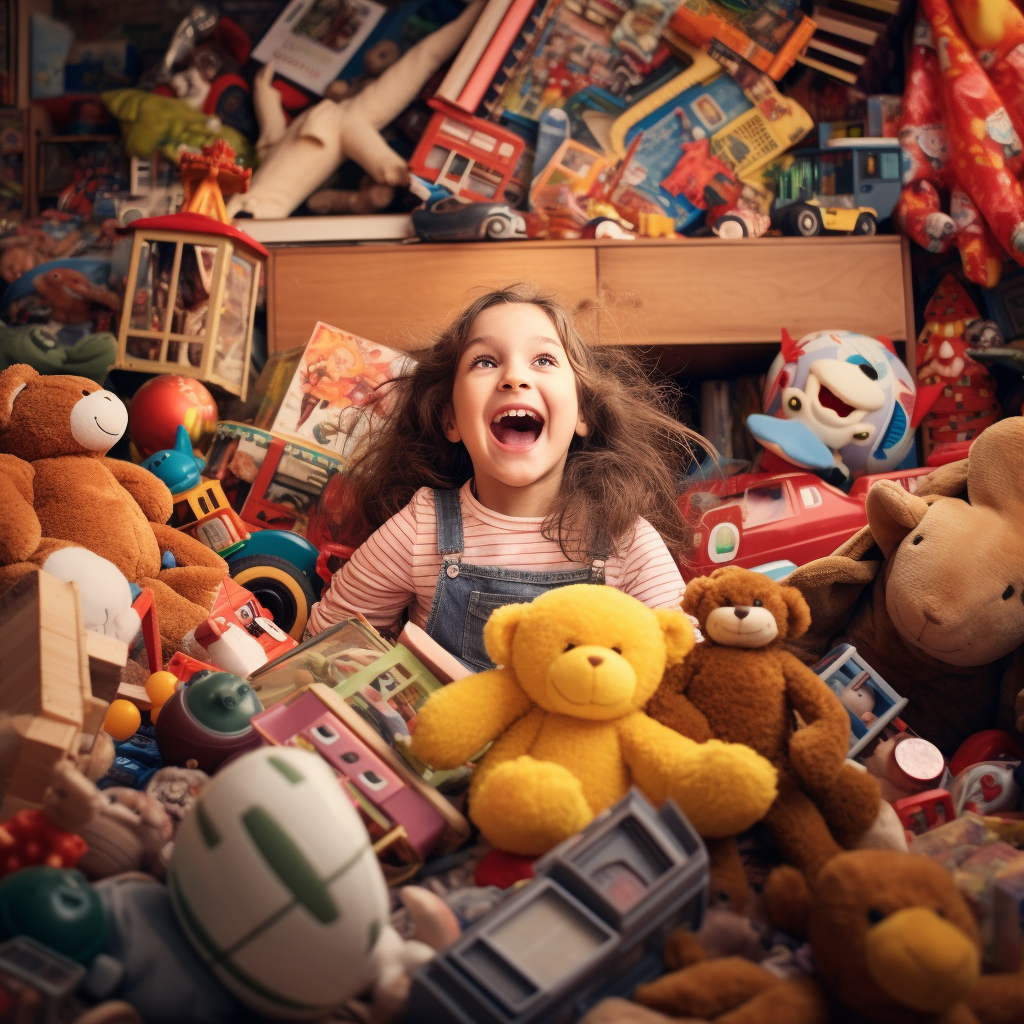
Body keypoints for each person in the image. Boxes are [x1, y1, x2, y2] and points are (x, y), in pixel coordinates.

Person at [306, 284, 710, 671]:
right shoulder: (421, 529)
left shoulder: (624, 536)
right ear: (451, 419)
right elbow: (327, 640)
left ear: (583, 414)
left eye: (544, 360)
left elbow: (687, 664)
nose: (513, 378)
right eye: (485, 361)